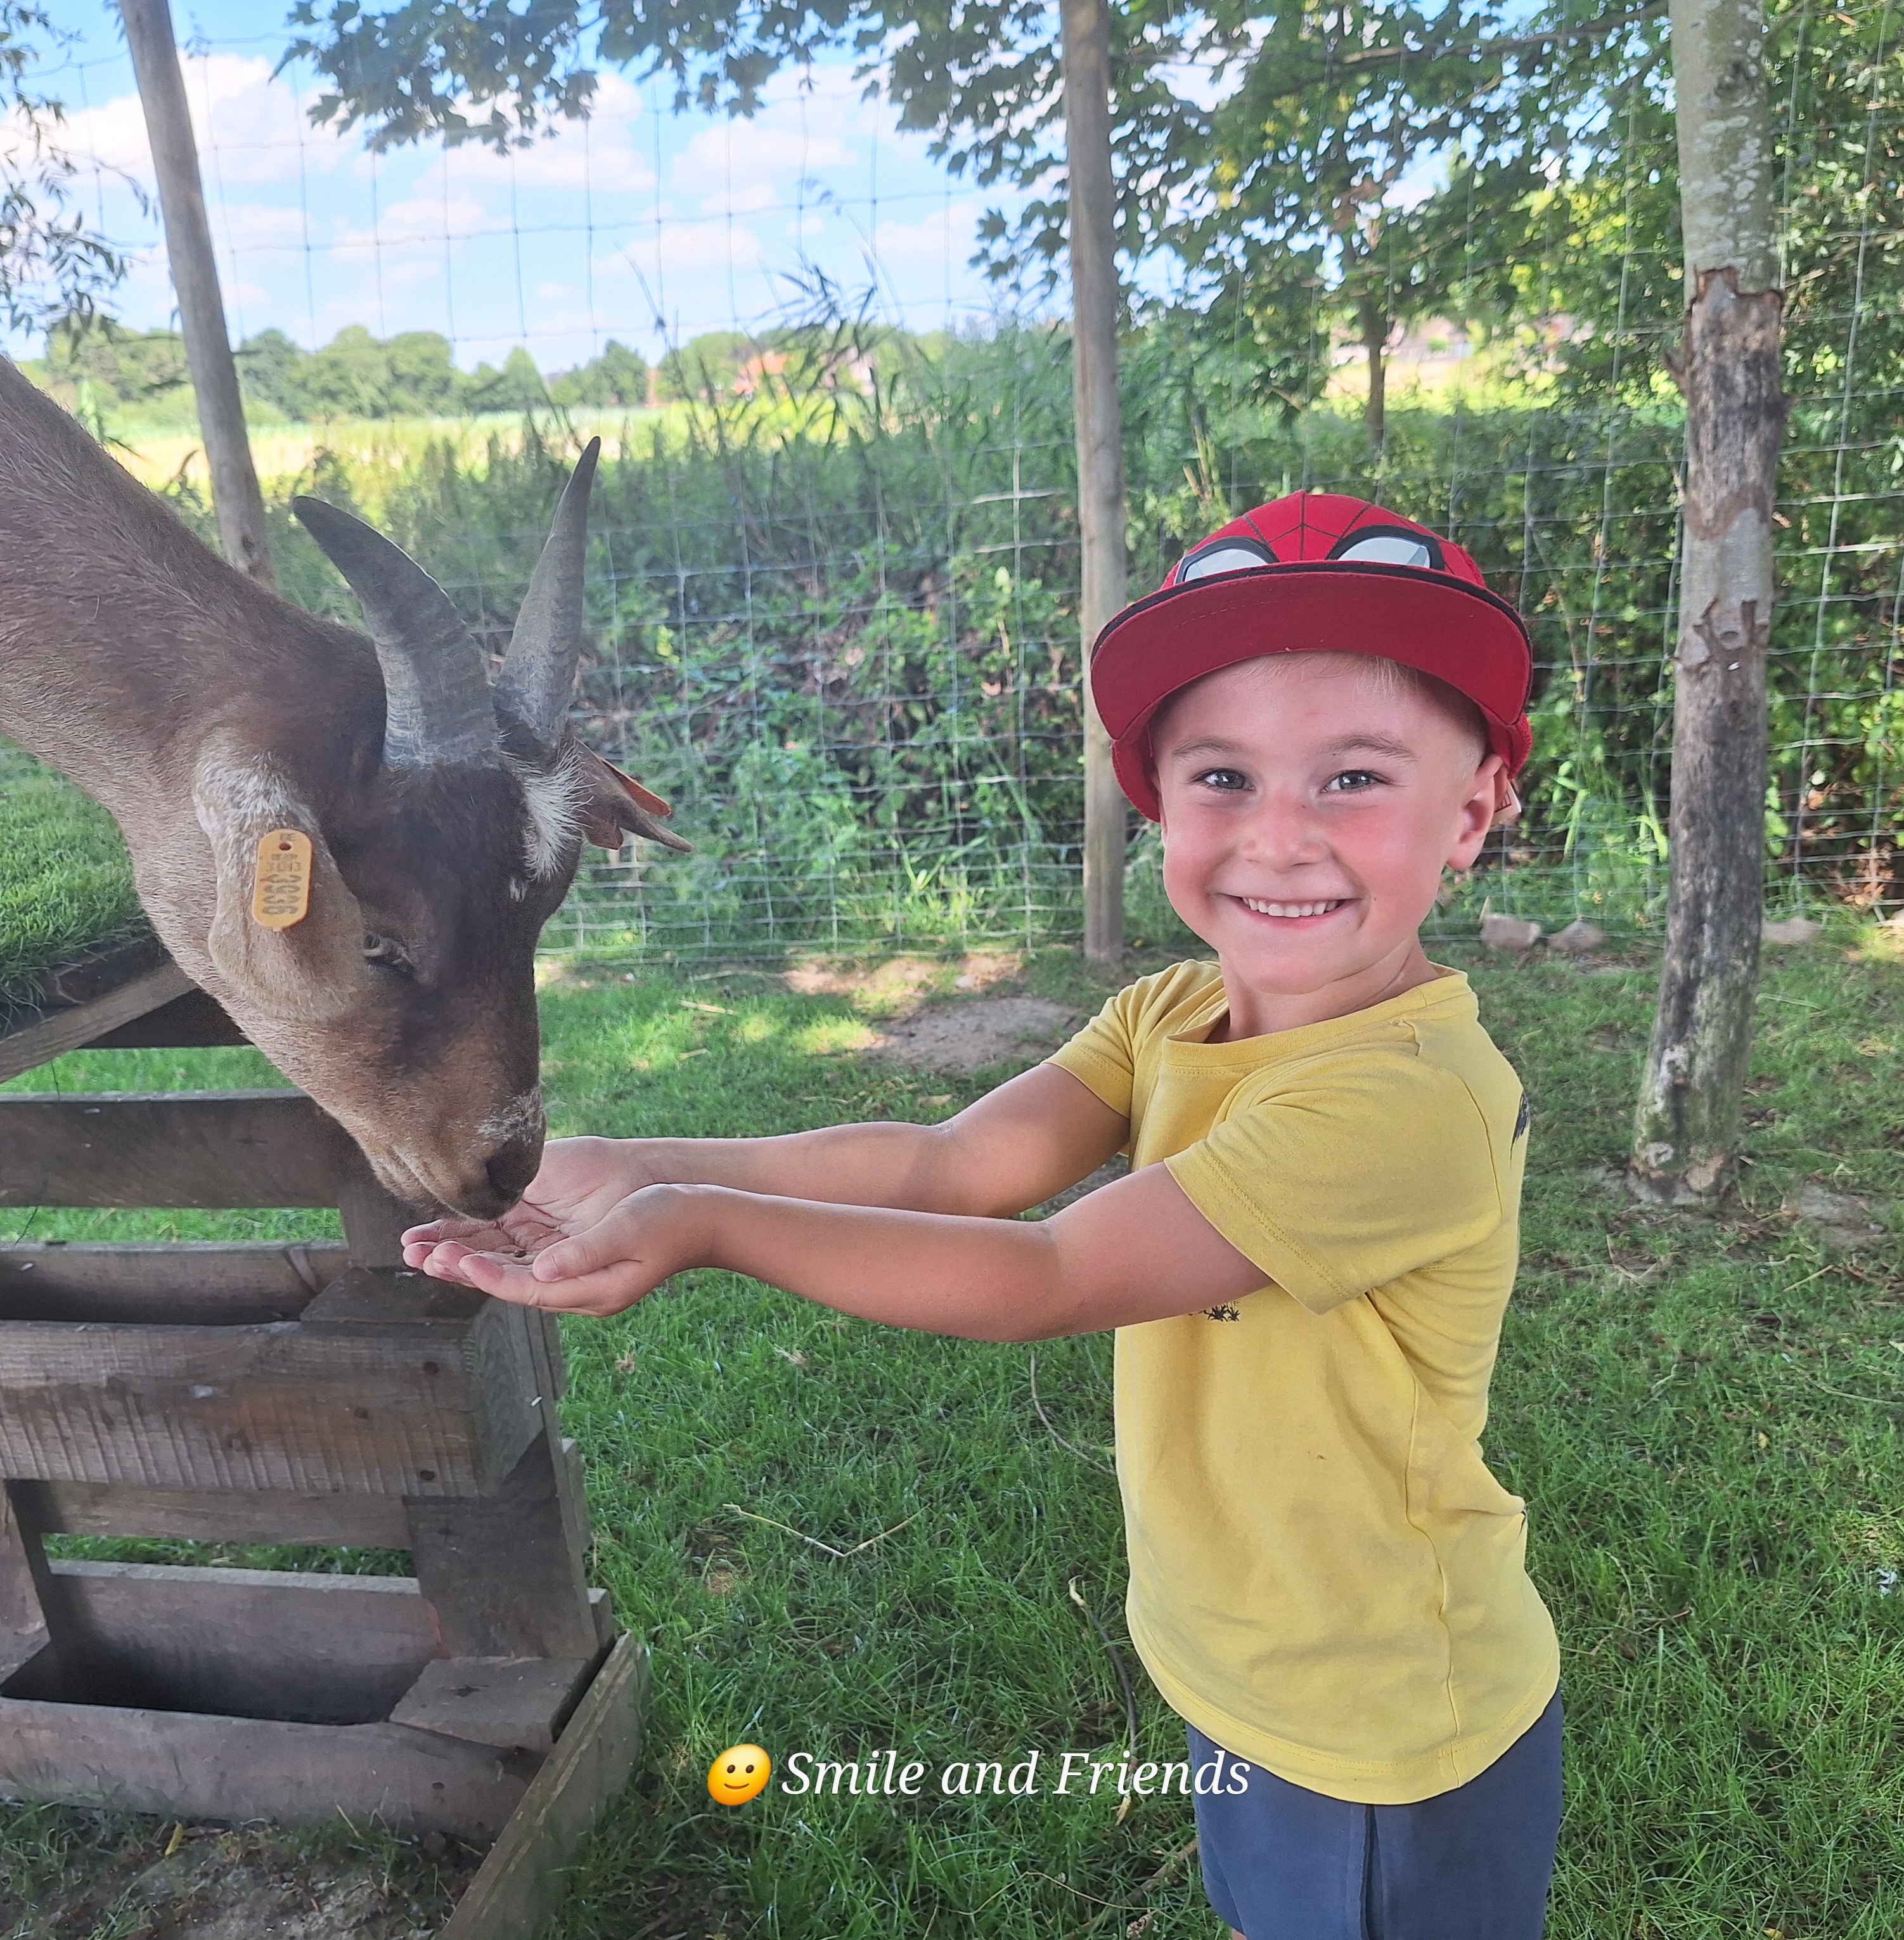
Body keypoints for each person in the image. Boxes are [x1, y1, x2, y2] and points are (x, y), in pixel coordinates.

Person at [404, 491, 1562, 1940]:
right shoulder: (1172, 1009)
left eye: (1351, 780)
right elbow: (951, 1165)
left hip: (1378, 1717)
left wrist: (702, 1225)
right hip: (1249, 1658)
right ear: (1156, 800)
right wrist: (633, 1161)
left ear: (1470, 814)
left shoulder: (1404, 1101)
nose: (1277, 837)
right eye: (1221, 776)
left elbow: (1050, 1273)